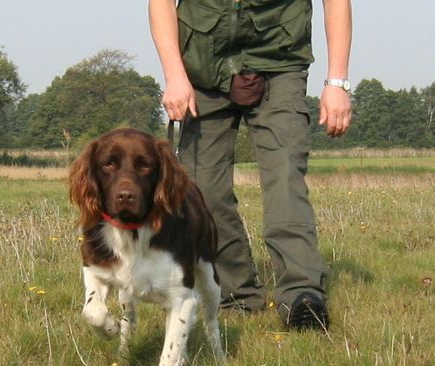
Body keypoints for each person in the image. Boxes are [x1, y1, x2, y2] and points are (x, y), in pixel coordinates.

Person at [148, 0, 352, 330]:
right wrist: (174, 75)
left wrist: (337, 82)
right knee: (203, 191)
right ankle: (236, 295)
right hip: (204, 68)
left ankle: (302, 294)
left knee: (285, 176)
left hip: (279, 61)